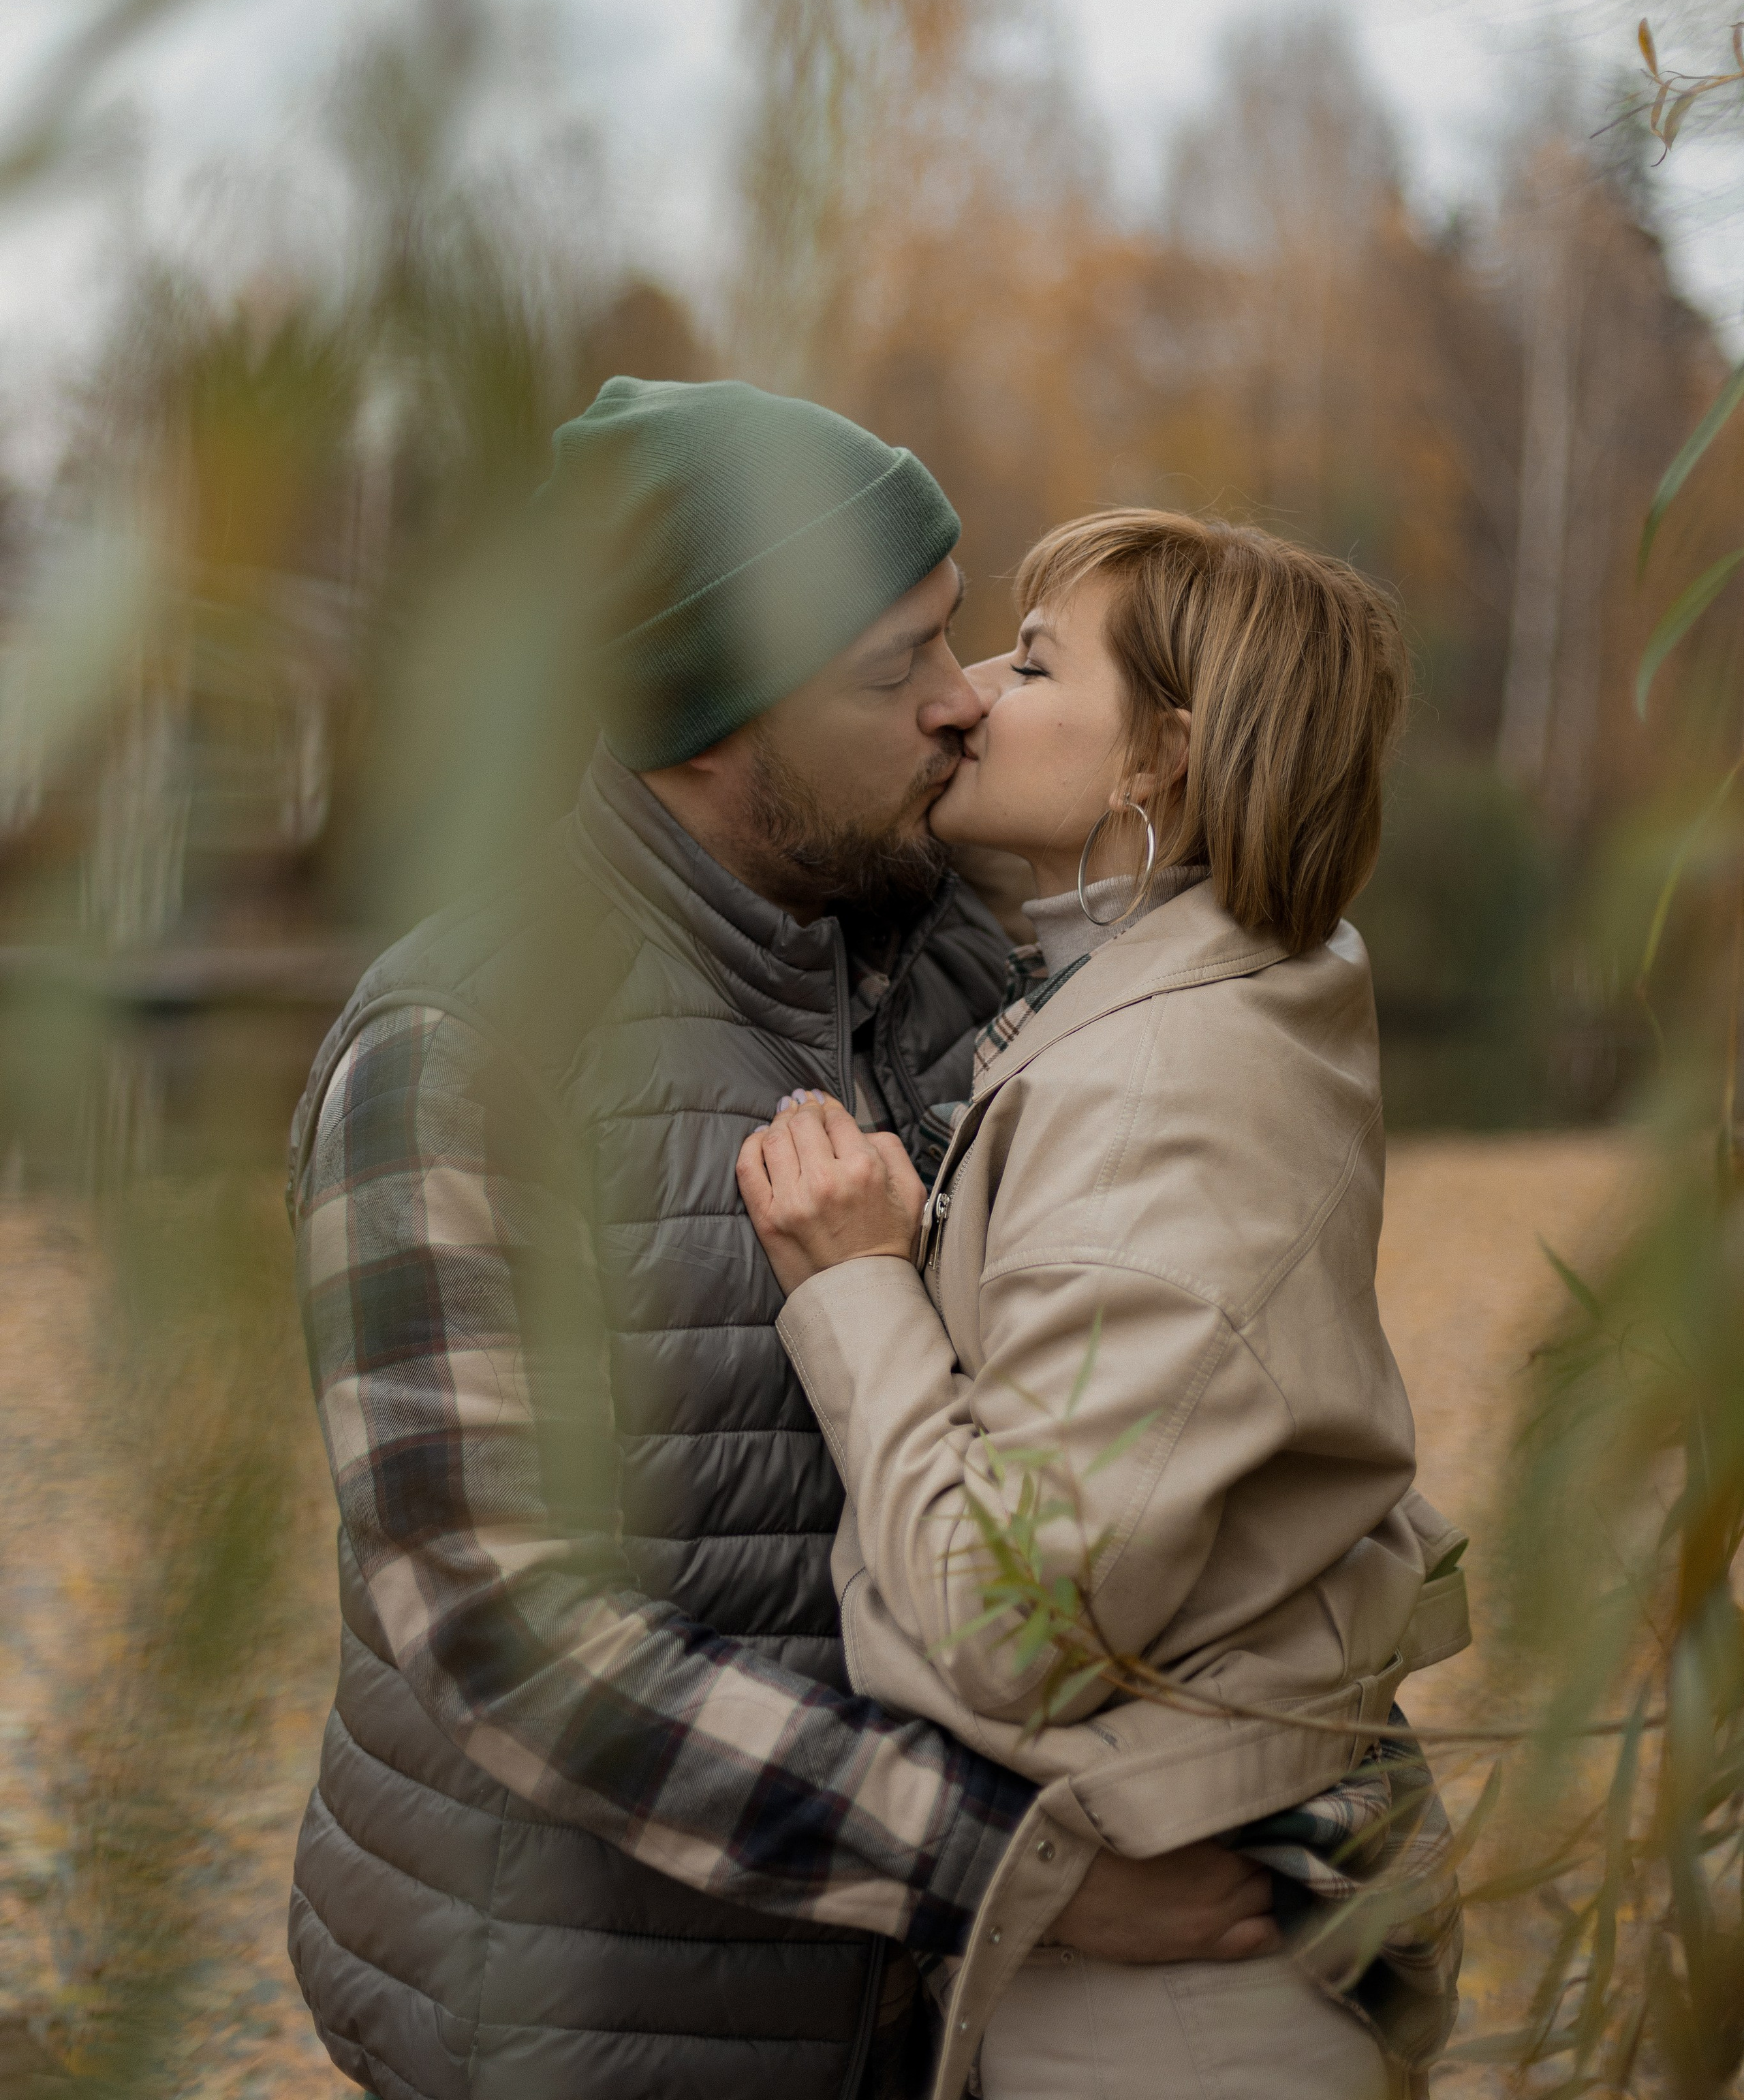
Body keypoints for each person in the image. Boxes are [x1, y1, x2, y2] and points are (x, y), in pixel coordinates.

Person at [285, 390, 1281, 2100]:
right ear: (712, 722)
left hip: (926, 2025)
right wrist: (1029, 1871)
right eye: (895, 668)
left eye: (960, 636)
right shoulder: (463, 1050)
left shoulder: (969, 971)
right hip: (580, 2035)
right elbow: (507, 1641)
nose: (961, 702)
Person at [737, 509, 1471, 2100]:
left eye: (1031, 660)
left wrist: (861, 1291)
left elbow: (1015, 1623)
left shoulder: (1166, 1091)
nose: (969, 695)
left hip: (1176, 2021)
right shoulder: (1169, 996)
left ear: (1160, 764)